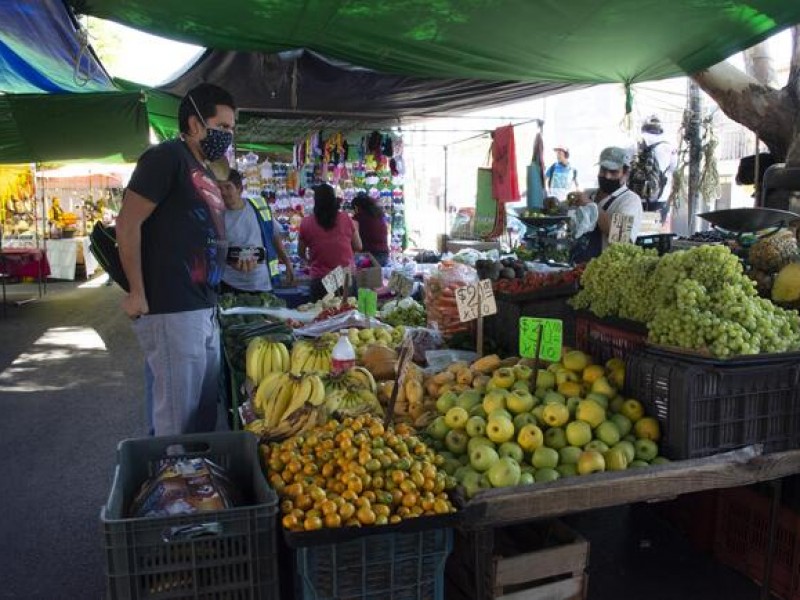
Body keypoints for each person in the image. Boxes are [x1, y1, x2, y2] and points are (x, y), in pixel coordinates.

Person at [116, 83, 236, 436]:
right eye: (223, 126)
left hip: (204, 307)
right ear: (195, 123)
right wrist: (136, 291)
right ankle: (172, 489)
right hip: (173, 308)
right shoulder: (167, 157)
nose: (227, 136)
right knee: (175, 426)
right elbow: (127, 223)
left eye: (231, 129)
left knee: (201, 417)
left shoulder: (207, 172)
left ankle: (197, 488)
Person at [219, 169, 294, 293]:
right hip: (229, 285)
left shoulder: (259, 206)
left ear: (239, 189)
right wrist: (230, 259)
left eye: (228, 187)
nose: (223, 192)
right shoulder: (216, 215)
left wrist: (287, 262)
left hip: (262, 283)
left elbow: (274, 236)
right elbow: (212, 243)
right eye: (219, 188)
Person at [570, 146, 643, 263]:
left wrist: (591, 207)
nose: (607, 176)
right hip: (577, 266)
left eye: (613, 172)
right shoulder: (589, 194)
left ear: (626, 174)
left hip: (605, 270)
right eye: (603, 170)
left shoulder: (630, 200)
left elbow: (621, 237)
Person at [298, 184, 362, 301]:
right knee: (347, 314)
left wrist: (311, 261)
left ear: (315, 201)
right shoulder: (345, 218)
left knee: (322, 315)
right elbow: (358, 246)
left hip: (320, 279)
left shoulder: (306, 223)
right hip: (344, 275)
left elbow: (301, 252)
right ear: (333, 199)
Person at [351, 192, 389, 266]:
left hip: (369, 257)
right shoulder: (378, 215)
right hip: (384, 256)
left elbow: (355, 243)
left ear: (356, 207)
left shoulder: (358, 218)